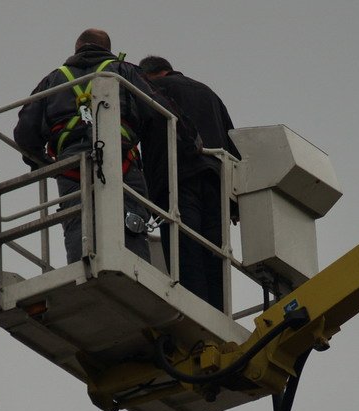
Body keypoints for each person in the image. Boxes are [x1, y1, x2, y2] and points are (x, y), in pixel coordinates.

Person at [14, 29, 165, 264]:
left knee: (78, 222)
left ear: (77, 49)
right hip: (122, 158)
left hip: (71, 165)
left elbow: (24, 133)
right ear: (108, 49)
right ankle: (134, 267)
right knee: (131, 220)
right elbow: (156, 113)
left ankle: (82, 268)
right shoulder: (124, 71)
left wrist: (44, 164)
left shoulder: (53, 80)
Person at [138, 56, 241, 311]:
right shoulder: (209, 94)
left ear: (149, 75)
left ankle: (193, 309)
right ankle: (218, 312)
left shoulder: (154, 90)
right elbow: (233, 143)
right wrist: (236, 202)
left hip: (177, 178)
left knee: (185, 247)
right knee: (215, 252)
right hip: (216, 181)